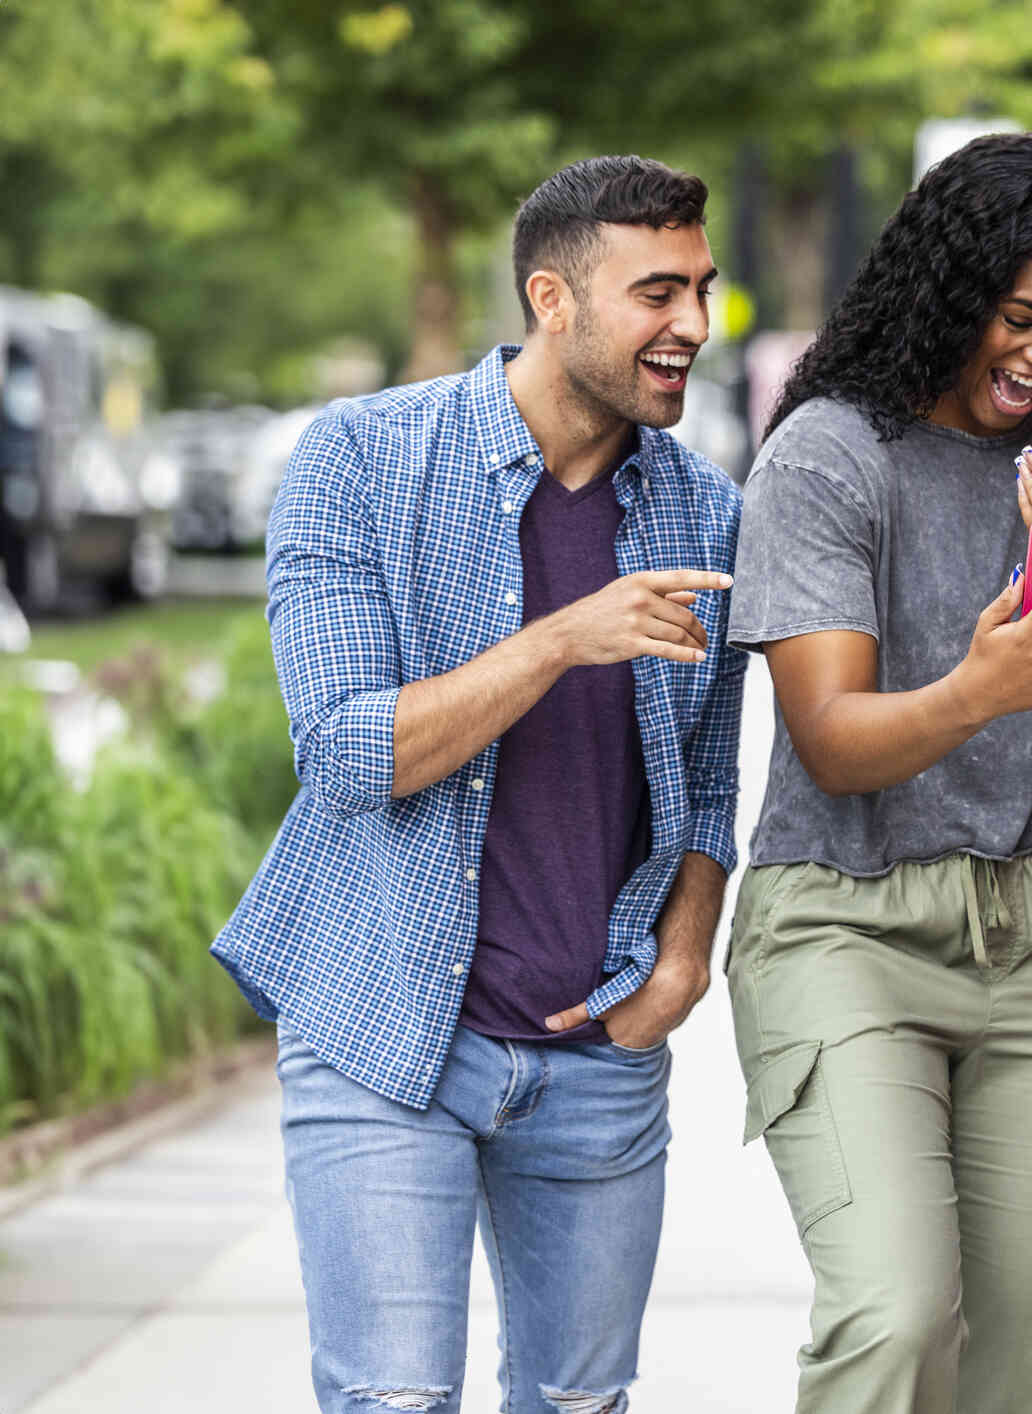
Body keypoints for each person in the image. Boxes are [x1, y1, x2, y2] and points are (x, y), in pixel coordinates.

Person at [211, 155, 743, 1414]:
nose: (692, 328)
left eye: (702, 290)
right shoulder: (360, 460)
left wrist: (680, 959)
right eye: (656, 293)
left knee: (578, 1404)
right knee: (394, 1402)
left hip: (594, 1045)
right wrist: (565, 636)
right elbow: (351, 751)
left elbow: (711, 777)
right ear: (550, 298)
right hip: (386, 1032)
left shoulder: (706, 512)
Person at [724, 131, 1032, 1414]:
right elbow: (832, 738)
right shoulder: (828, 454)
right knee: (897, 1315)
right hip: (842, 927)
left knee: (1030, 1365)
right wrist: (983, 683)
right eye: (1018, 317)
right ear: (946, 288)